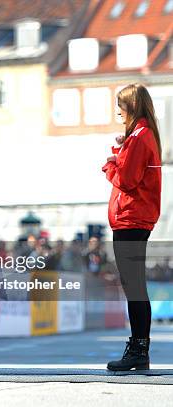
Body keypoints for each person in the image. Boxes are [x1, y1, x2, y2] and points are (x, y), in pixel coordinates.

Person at [103, 84, 162, 371]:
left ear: (131, 107)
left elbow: (126, 180)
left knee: (134, 287)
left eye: (120, 106)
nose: (117, 111)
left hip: (131, 218)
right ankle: (139, 347)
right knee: (135, 286)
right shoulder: (143, 135)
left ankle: (139, 349)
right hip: (136, 218)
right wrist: (119, 149)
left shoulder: (139, 137)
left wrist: (109, 164)